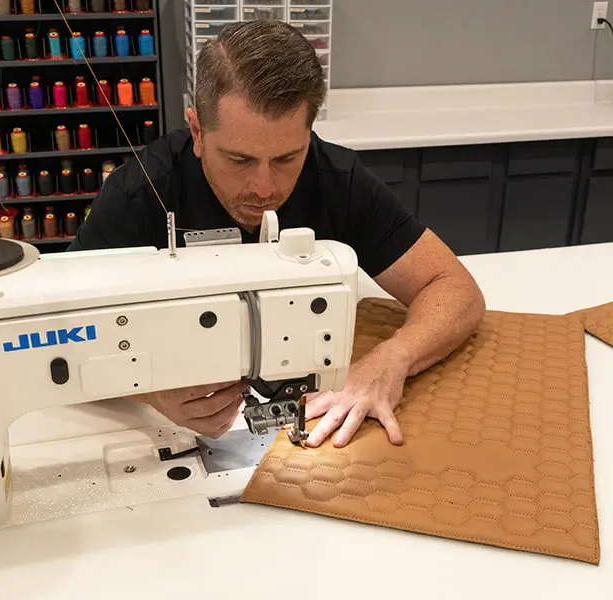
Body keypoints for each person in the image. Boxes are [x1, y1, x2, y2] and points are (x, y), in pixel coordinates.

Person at [67, 20, 486, 448]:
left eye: (288, 157)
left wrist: (391, 359)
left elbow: (455, 289)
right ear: (197, 132)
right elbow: (64, 329)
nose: (265, 189)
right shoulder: (139, 193)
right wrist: (150, 391)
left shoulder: (335, 179)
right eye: (239, 160)